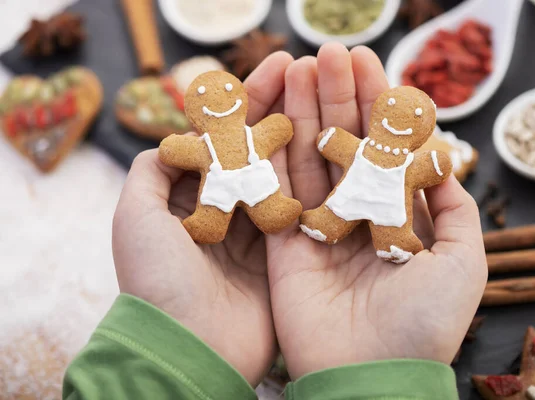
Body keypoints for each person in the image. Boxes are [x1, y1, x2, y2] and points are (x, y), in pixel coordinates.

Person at [63, 43, 487, 400]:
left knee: (300, 209)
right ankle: (317, 220)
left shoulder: (386, 155)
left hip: (372, 202)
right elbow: (249, 140)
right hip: (239, 190)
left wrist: (429, 164)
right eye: (391, 108)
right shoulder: (211, 144)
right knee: (245, 215)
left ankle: (372, 233)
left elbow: (281, 132)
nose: (397, 117)